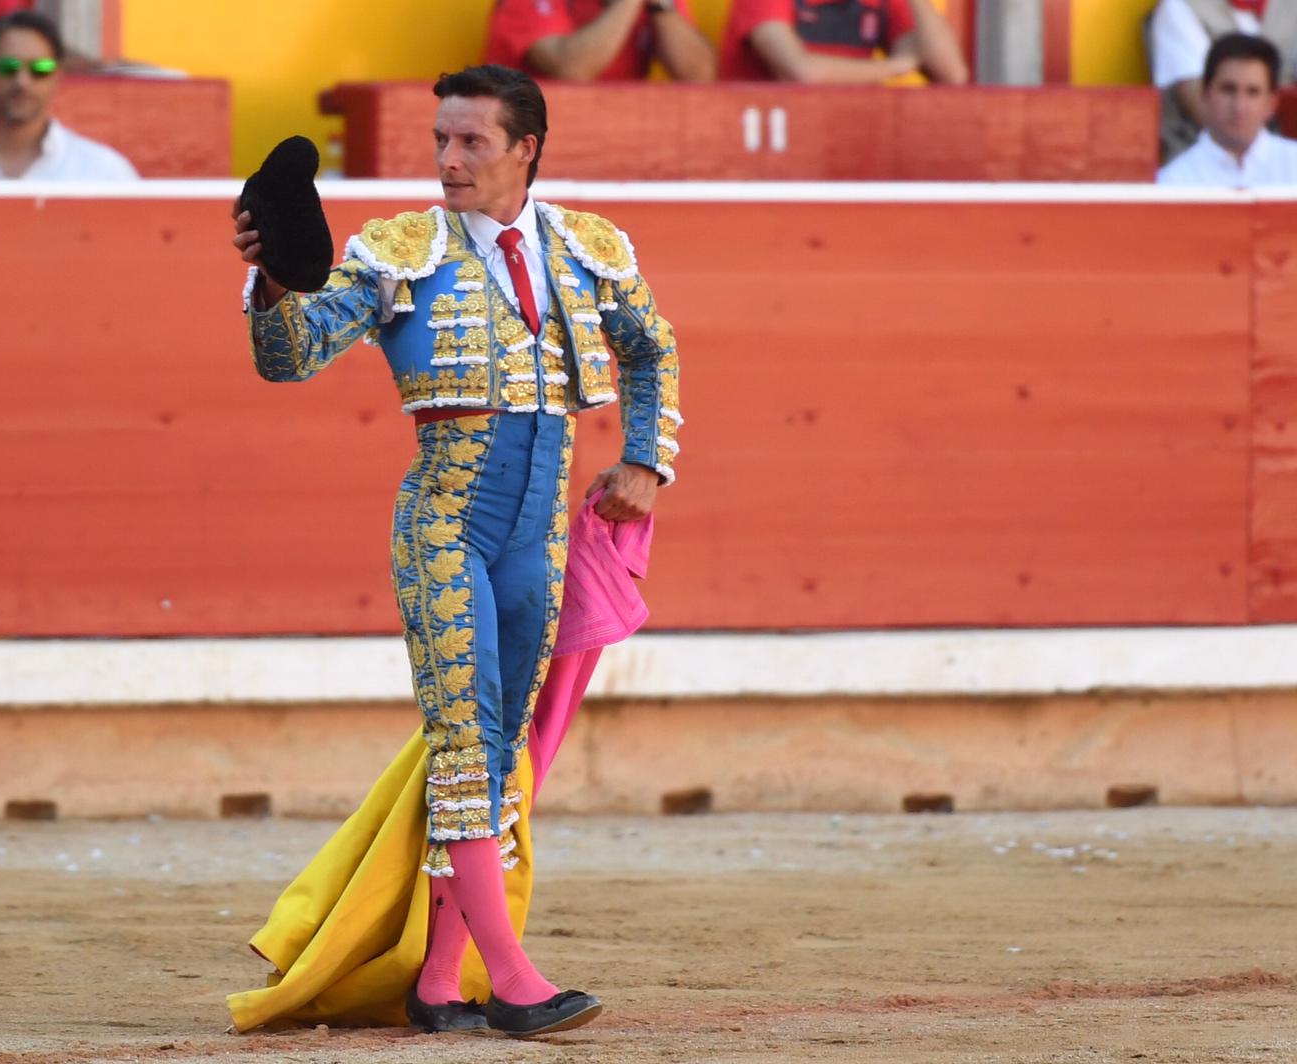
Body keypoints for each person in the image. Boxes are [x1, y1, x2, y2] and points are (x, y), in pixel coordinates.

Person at [228, 63, 681, 1037]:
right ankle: (512, 976)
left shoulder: (586, 245)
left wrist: (646, 457)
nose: (448, 159)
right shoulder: (400, 250)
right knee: (468, 738)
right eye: (440, 139)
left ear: (525, 149)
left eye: (470, 141)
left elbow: (650, 347)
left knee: (498, 746)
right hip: (446, 520)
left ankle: (438, 980)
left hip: (538, 531)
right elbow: (290, 355)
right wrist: (270, 281)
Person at [0, 11, 137, 181]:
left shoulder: (104, 173)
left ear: (57, 76)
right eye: (8, 67)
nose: (22, 82)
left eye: (40, 68)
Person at [719, 0, 969, 84]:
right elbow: (801, 72)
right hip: (766, 156)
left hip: (847, 143)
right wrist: (896, 66)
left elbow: (952, 73)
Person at [1159, 32, 1297, 184]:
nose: (1239, 106)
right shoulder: (1173, 181)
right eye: (1228, 90)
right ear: (1205, 94)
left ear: (1272, 103)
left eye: (1253, 92)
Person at [485, 0, 716, 82]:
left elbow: (700, 75)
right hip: (526, 145)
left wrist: (661, 6)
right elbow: (572, 68)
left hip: (620, 137)